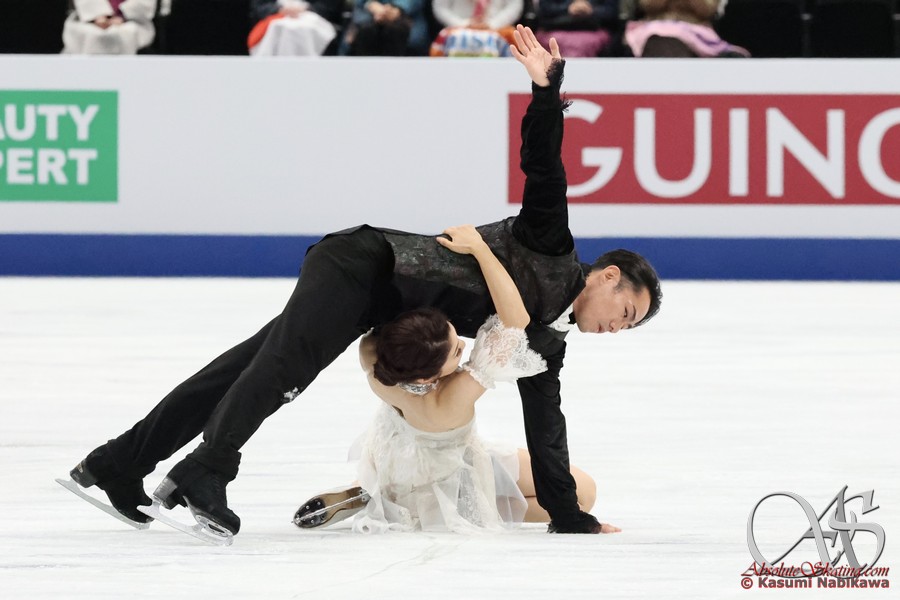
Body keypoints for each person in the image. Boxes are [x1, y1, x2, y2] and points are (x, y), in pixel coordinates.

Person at [64, 25, 661, 540]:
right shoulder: (551, 244)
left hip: (367, 302)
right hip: (363, 263)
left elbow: (546, 428)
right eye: (627, 311)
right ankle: (207, 468)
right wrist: (546, 92)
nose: (618, 328)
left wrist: (569, 515)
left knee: (239, 371)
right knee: (283, 371)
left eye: (628, 327)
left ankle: (119, 462)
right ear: (608, 276)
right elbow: (544, 168)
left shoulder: (547, 345)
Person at [294, 224, 618, 534]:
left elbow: (379, 333)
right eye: (456, 352)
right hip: (452, 475)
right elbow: (516, 321)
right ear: (427, 376)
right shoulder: (453, 398)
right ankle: (427, 505)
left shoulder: (377, 366)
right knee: (584, 493)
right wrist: (480, 249)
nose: (464, 346)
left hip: (393, 462)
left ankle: (380, 493)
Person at [624, 0, 749, 57]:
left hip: (697, 30)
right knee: (663, 41)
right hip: (654, 27)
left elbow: (707, 10)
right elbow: (649, 5)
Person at [248, 0, 345, 56]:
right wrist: (280, 9)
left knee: (301, 28)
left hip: (312, 17)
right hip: (276, 17)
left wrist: (306, 8)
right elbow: (260, 7)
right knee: (281, 27)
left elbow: (329, 7)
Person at [62, 0, 156, 55]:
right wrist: (99, 14)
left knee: (126, 32)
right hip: (92, 20)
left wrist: (122, 15)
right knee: (91, 34)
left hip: (131, 21)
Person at [534, 0, 619, 58]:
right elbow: (545, 9)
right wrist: (568, 8)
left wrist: (590, 9)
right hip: (556, 28)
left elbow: (611, 12)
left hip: (594, 29)